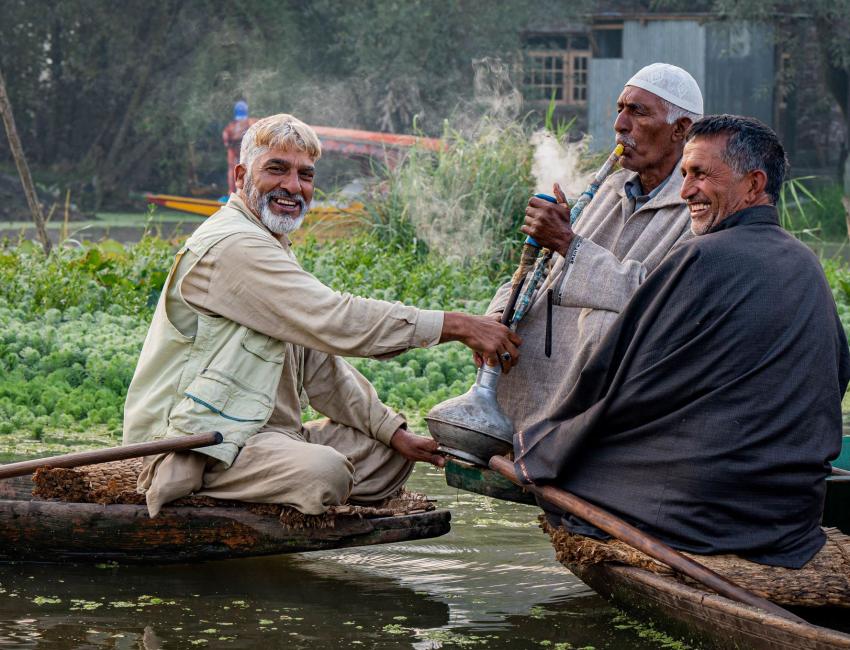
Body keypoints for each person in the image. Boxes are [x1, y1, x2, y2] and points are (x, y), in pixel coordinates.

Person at [124, 113, 521, 517]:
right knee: (326, 471)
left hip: (271, 438)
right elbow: (336, 318)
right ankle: (213, 487)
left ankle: (285, 475)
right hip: (204, 444)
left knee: (389, 455)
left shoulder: (272, 244)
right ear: (241, 174)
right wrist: (457, 325)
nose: (293, 187)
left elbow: (320, 369)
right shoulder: (231, 244)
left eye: (305, 175)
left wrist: (391, 431)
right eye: (276, 169)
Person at [514, 115, 850, 568]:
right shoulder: (807, 262)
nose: (686, 190)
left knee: (573, 465)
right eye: (685, 174)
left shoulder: (700, 256)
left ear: (753, 185)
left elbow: (619, 379)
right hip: (791, 517)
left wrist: (544, 442)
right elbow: (839, 372)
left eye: (701, 175)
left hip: (704, 514)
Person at [484, 63, 703, 432]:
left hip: (617, 401)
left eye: (638, 112)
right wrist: (493, 319)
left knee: (603, 325)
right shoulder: (607, 190)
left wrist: (569, 243)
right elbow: (541, 273)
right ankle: (507, 427)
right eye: (620, 109)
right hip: (545, 386)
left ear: (679, 131)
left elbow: (658, 296)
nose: (620, 123)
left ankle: (564, 442)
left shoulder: (696, 206)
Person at [222, 100, 257, 194]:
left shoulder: (249, 123)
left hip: (244, 149)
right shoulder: (249, 122)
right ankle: (232, 192)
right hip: (235, 149)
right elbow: (225, 137)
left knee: (243, 168)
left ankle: (242, 192)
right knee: (233, 168)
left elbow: (225, 137)